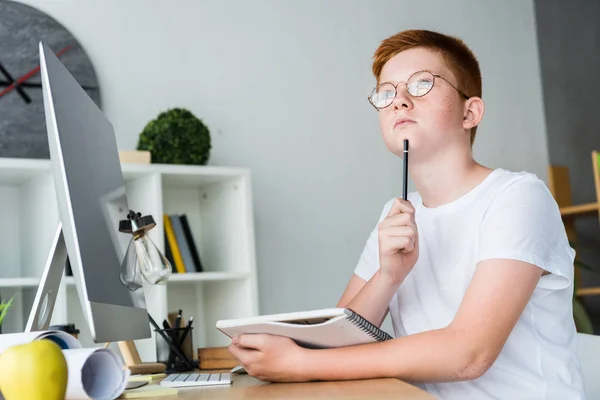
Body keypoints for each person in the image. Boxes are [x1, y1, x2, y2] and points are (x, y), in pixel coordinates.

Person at [227, 29, 585, 399]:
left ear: (470, 111)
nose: (398, 100)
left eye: (421, 85)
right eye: (387, 92)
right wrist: (387, 277)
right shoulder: (396, 213)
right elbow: (334, 342)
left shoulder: (517, 196)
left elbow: (469, 354)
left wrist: (299, 365)